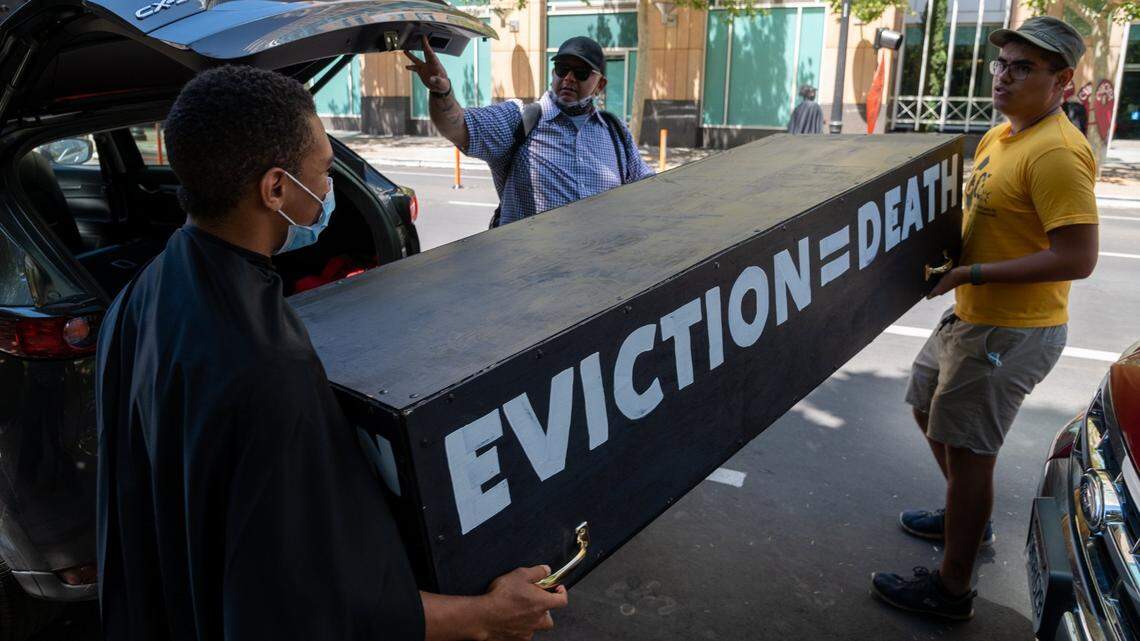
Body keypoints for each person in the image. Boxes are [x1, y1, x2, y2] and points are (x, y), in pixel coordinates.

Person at [95, 65, 568, 641]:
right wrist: (486, 618)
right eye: (323, 171)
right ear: (275, 190)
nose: (329, 187)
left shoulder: (140, 294)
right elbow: (313, 605)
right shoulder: (266, 368)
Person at [870, 16, 1099, 621]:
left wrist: (971, 275)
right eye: (1002, 64)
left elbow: (1078, 257)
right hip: (970, 315)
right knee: (927, 407)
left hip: (1011, 329)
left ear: (1063, 82)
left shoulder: (1055, 153)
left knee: (971, 452)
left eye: (1023, 68)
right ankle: (965, 511)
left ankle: (951, 588)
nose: (1003, 76)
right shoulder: (1003, 136)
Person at [404, 35, 653, 226]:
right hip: (530, 277)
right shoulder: (520, 118)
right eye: (561, 68)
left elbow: (649, 189)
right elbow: (456, 126)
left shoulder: (615, 131)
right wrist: (442, 91)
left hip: (597, 276)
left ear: (600, 85)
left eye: (581, 72)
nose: (568, 78)